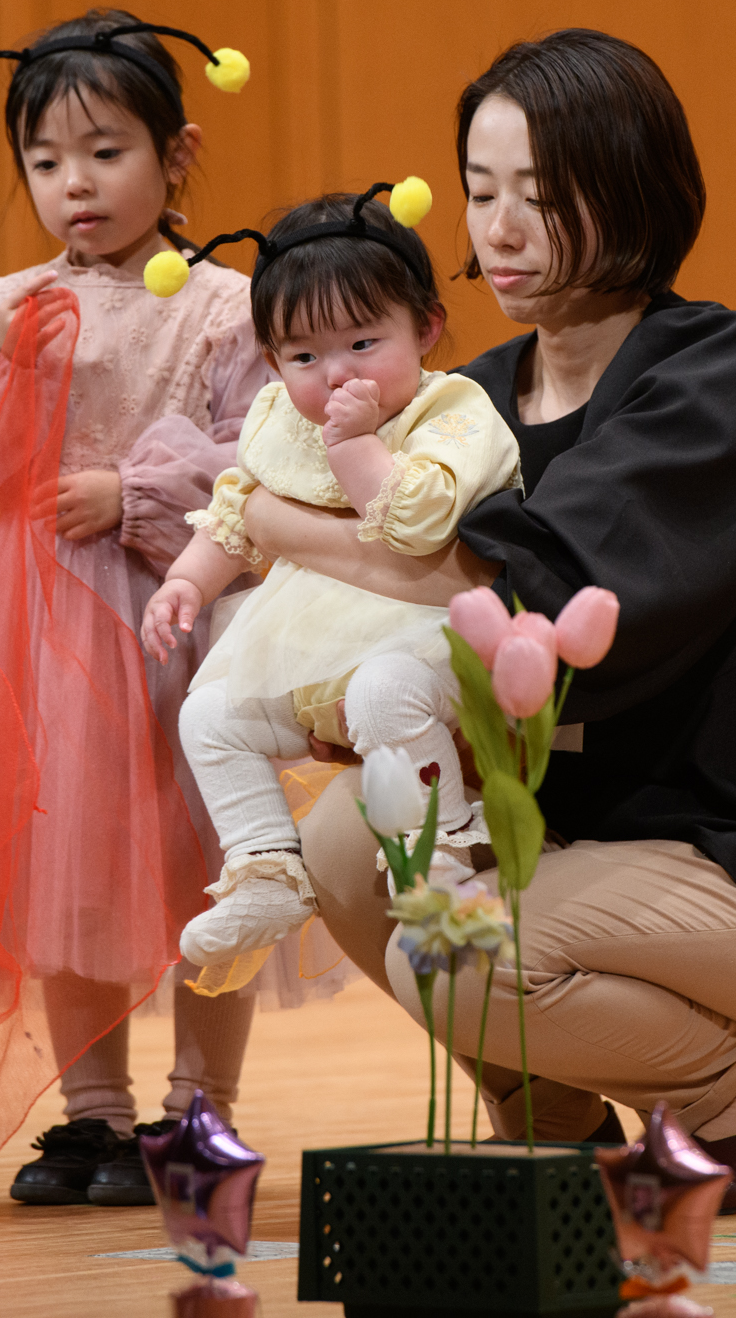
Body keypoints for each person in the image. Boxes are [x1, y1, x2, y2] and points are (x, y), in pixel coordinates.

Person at [260, 29, 736, 1214]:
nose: (502, 227)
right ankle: (557, 1108)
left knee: (451, 944)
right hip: (578, 854)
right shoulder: (466, 400)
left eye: (544, 192)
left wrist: (269, 521)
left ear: (631, 191)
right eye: (481, 192)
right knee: (340, 845)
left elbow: (527, 589)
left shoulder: (726, 371)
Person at [0, 10, 328, 1220]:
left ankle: (197, 1107)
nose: (74, 184)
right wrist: (4, 365)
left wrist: (133, 489)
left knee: (203, 858)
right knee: (63, 873)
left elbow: (272, 459)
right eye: (45, 159)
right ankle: (95, 1117)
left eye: (105, 151)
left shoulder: (229, 305)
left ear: (175, 155)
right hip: (35, 632)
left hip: (187, 612)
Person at [142, 186, 520, 974]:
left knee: (386, 692)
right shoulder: (282, 415)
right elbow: (240, 508)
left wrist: (354, 445)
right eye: (304, 355)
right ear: (274, 360)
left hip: (424, 643)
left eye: (362, 342)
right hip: (310, 651)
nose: (334, 373)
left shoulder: (453, 409)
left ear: (426, 327)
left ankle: (440, 871)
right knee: (210, 711)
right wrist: (187, 579)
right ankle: (264, 864)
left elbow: (418, 522)